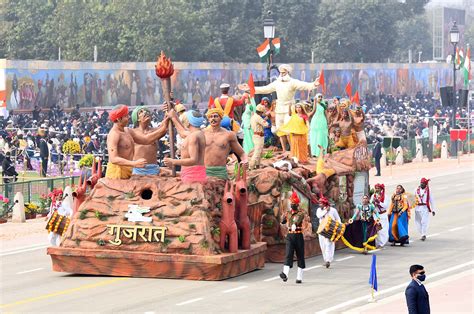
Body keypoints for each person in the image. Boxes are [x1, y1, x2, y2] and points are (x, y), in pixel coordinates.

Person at [254, 64, 320, 152]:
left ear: (288, 72)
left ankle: (293, 150)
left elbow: (304, 85)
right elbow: (265, 89)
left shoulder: (293, 82)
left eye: (284, 72)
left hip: (289, 108)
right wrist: (251, 89)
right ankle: (284, 150)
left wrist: (314, 84)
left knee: (289, 130)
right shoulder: (277, 82)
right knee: (280, 130)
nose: (282, 74)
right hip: (279, 109)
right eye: (280, 72)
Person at [105, 105, 169, 179]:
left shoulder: (128, 131)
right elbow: (114, 159)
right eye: (126, 116)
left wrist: (166, 120)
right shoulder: (114, 134)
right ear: (119, 119)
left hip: (130, 170)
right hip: (117, 173)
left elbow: (146, 140)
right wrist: (134, 163)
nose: (128, 118)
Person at [203, 108, 248, 180]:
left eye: (215, 116)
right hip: (204, 172)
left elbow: (242, 153)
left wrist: (245, 160)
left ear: (221, 118)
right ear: (208, 119)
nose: (213, 119)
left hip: (220, 172)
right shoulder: (202, 134)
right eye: (211, 117)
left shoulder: (228, 135)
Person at [164, 110, 207, 184]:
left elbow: (193, 160)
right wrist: (174, 117)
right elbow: (182, 132)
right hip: (193, 174)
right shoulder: (198, 133)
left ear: (188, 122)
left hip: (192, 176)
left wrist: (173, 161)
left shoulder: (193, 136)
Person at [130, 106, 168, 175]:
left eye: (146, 111)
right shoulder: (132, 133)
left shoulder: (155, 130)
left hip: (153, 169)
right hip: (138, 169)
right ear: (137, 119)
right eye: (141, 112)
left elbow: (165, 125)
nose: (145, 112)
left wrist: (167, 109)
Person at [280, 191, 306, 284]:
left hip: (298, 235)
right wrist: (283, 220)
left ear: (297, 204)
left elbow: (297, 219)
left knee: (300, 255)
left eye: (294, 204)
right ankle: (285, 274)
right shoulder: (288, 213)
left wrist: (294, 224)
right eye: (292, 203)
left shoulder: (300, 213)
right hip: (290, 236)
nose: (293, 205)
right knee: (288, 254)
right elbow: (283, 221)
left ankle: (299, 277)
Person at [316, 196, 341, 268]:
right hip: (321, 230)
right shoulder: (319, 210)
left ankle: (328, 260)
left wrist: (339, 228)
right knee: (322, 245)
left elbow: (338, 219)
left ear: (324, 203)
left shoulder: (333, 210)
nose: (319, 204)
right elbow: (319, 216)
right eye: (319, 203)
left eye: (321, 203)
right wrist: (326, 210)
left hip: (330, 230)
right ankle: (326, 259)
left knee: (328, 244)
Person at [249, 104, 269, 170]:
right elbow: (266, 124)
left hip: (255, 135)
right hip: (259, 136)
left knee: (259, 152)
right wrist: (265, 119)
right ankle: (251, 167)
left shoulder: (253, 116)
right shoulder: (258, 117)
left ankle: (257, 166)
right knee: (257, 152)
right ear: (260, 112)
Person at [371, 183, 389, 248]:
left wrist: (379, 202)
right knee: (377, 229)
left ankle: (382, 243)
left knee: (383, 230)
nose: (377, 189)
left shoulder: (385, 196)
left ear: (381, 189)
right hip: (376, 215)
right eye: (376, 188)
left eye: (378, 188)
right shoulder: (373, 196)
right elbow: (371, 205)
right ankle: (377, 243)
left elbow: (386, 206)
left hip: (383, 214)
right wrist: (373, 203)